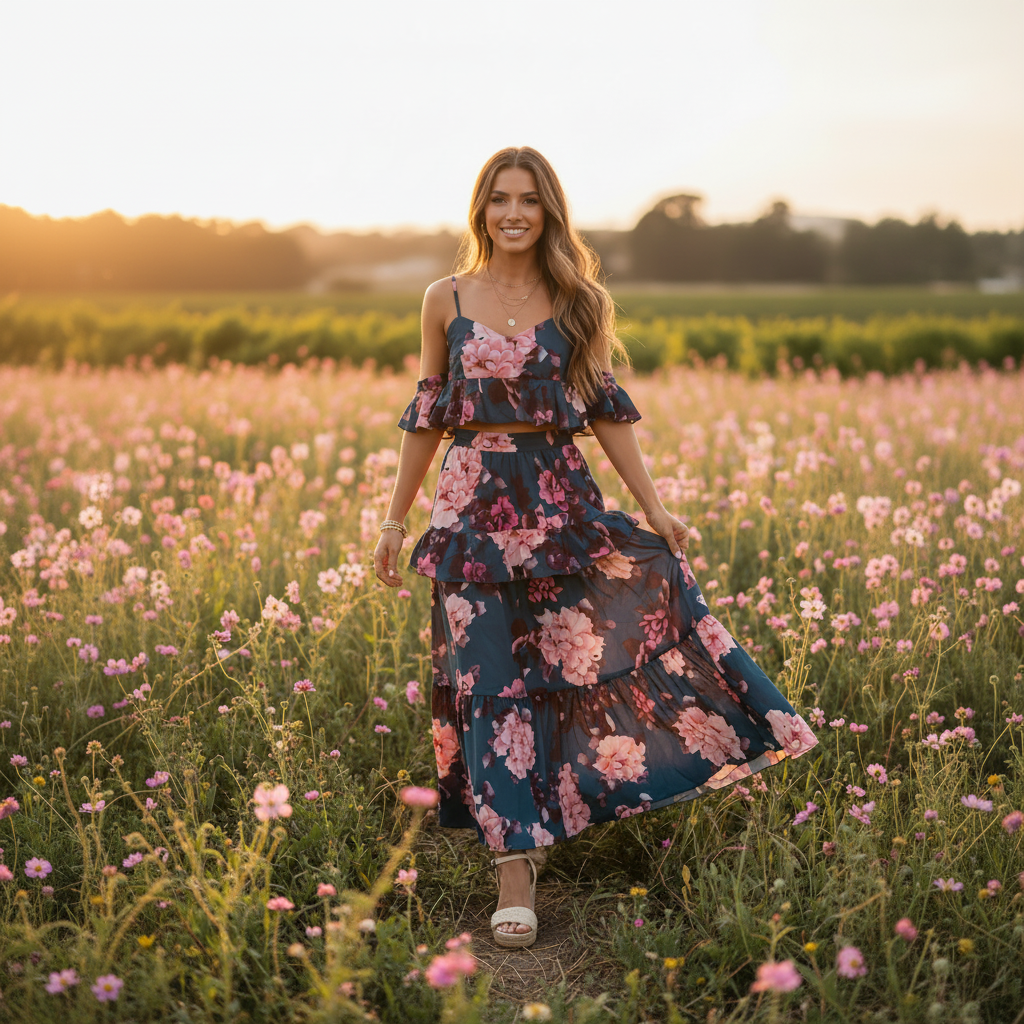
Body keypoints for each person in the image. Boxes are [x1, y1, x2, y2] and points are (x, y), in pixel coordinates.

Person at [373, 146, 818, 949]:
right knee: (490, 687)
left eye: (529, 200)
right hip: (470, 511)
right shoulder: (445, 298)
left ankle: (567, 806)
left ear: (550, 212)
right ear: (482, 208)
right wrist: (394, 519)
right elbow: (428, 415)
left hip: (561, 507)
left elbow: (608, 414)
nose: (514, 213)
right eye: (500, 198)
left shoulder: (579, 301)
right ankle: (517, 864)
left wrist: (656, 509)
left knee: (561, 672)